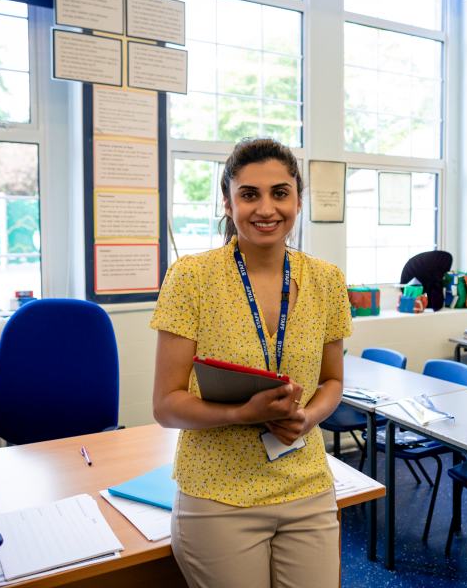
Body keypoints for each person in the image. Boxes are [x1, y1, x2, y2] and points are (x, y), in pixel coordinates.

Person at [151, 138, 352, 588]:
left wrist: (306, 418)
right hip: (218, 493)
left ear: (298, 198)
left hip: (306, 486)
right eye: (249, 194)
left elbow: (333, 381)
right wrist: (244, 414)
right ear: (228, 201)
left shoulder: (326, 280)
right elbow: (166, 406)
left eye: (280, 193)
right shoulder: (191, 278)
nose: (266, 208)